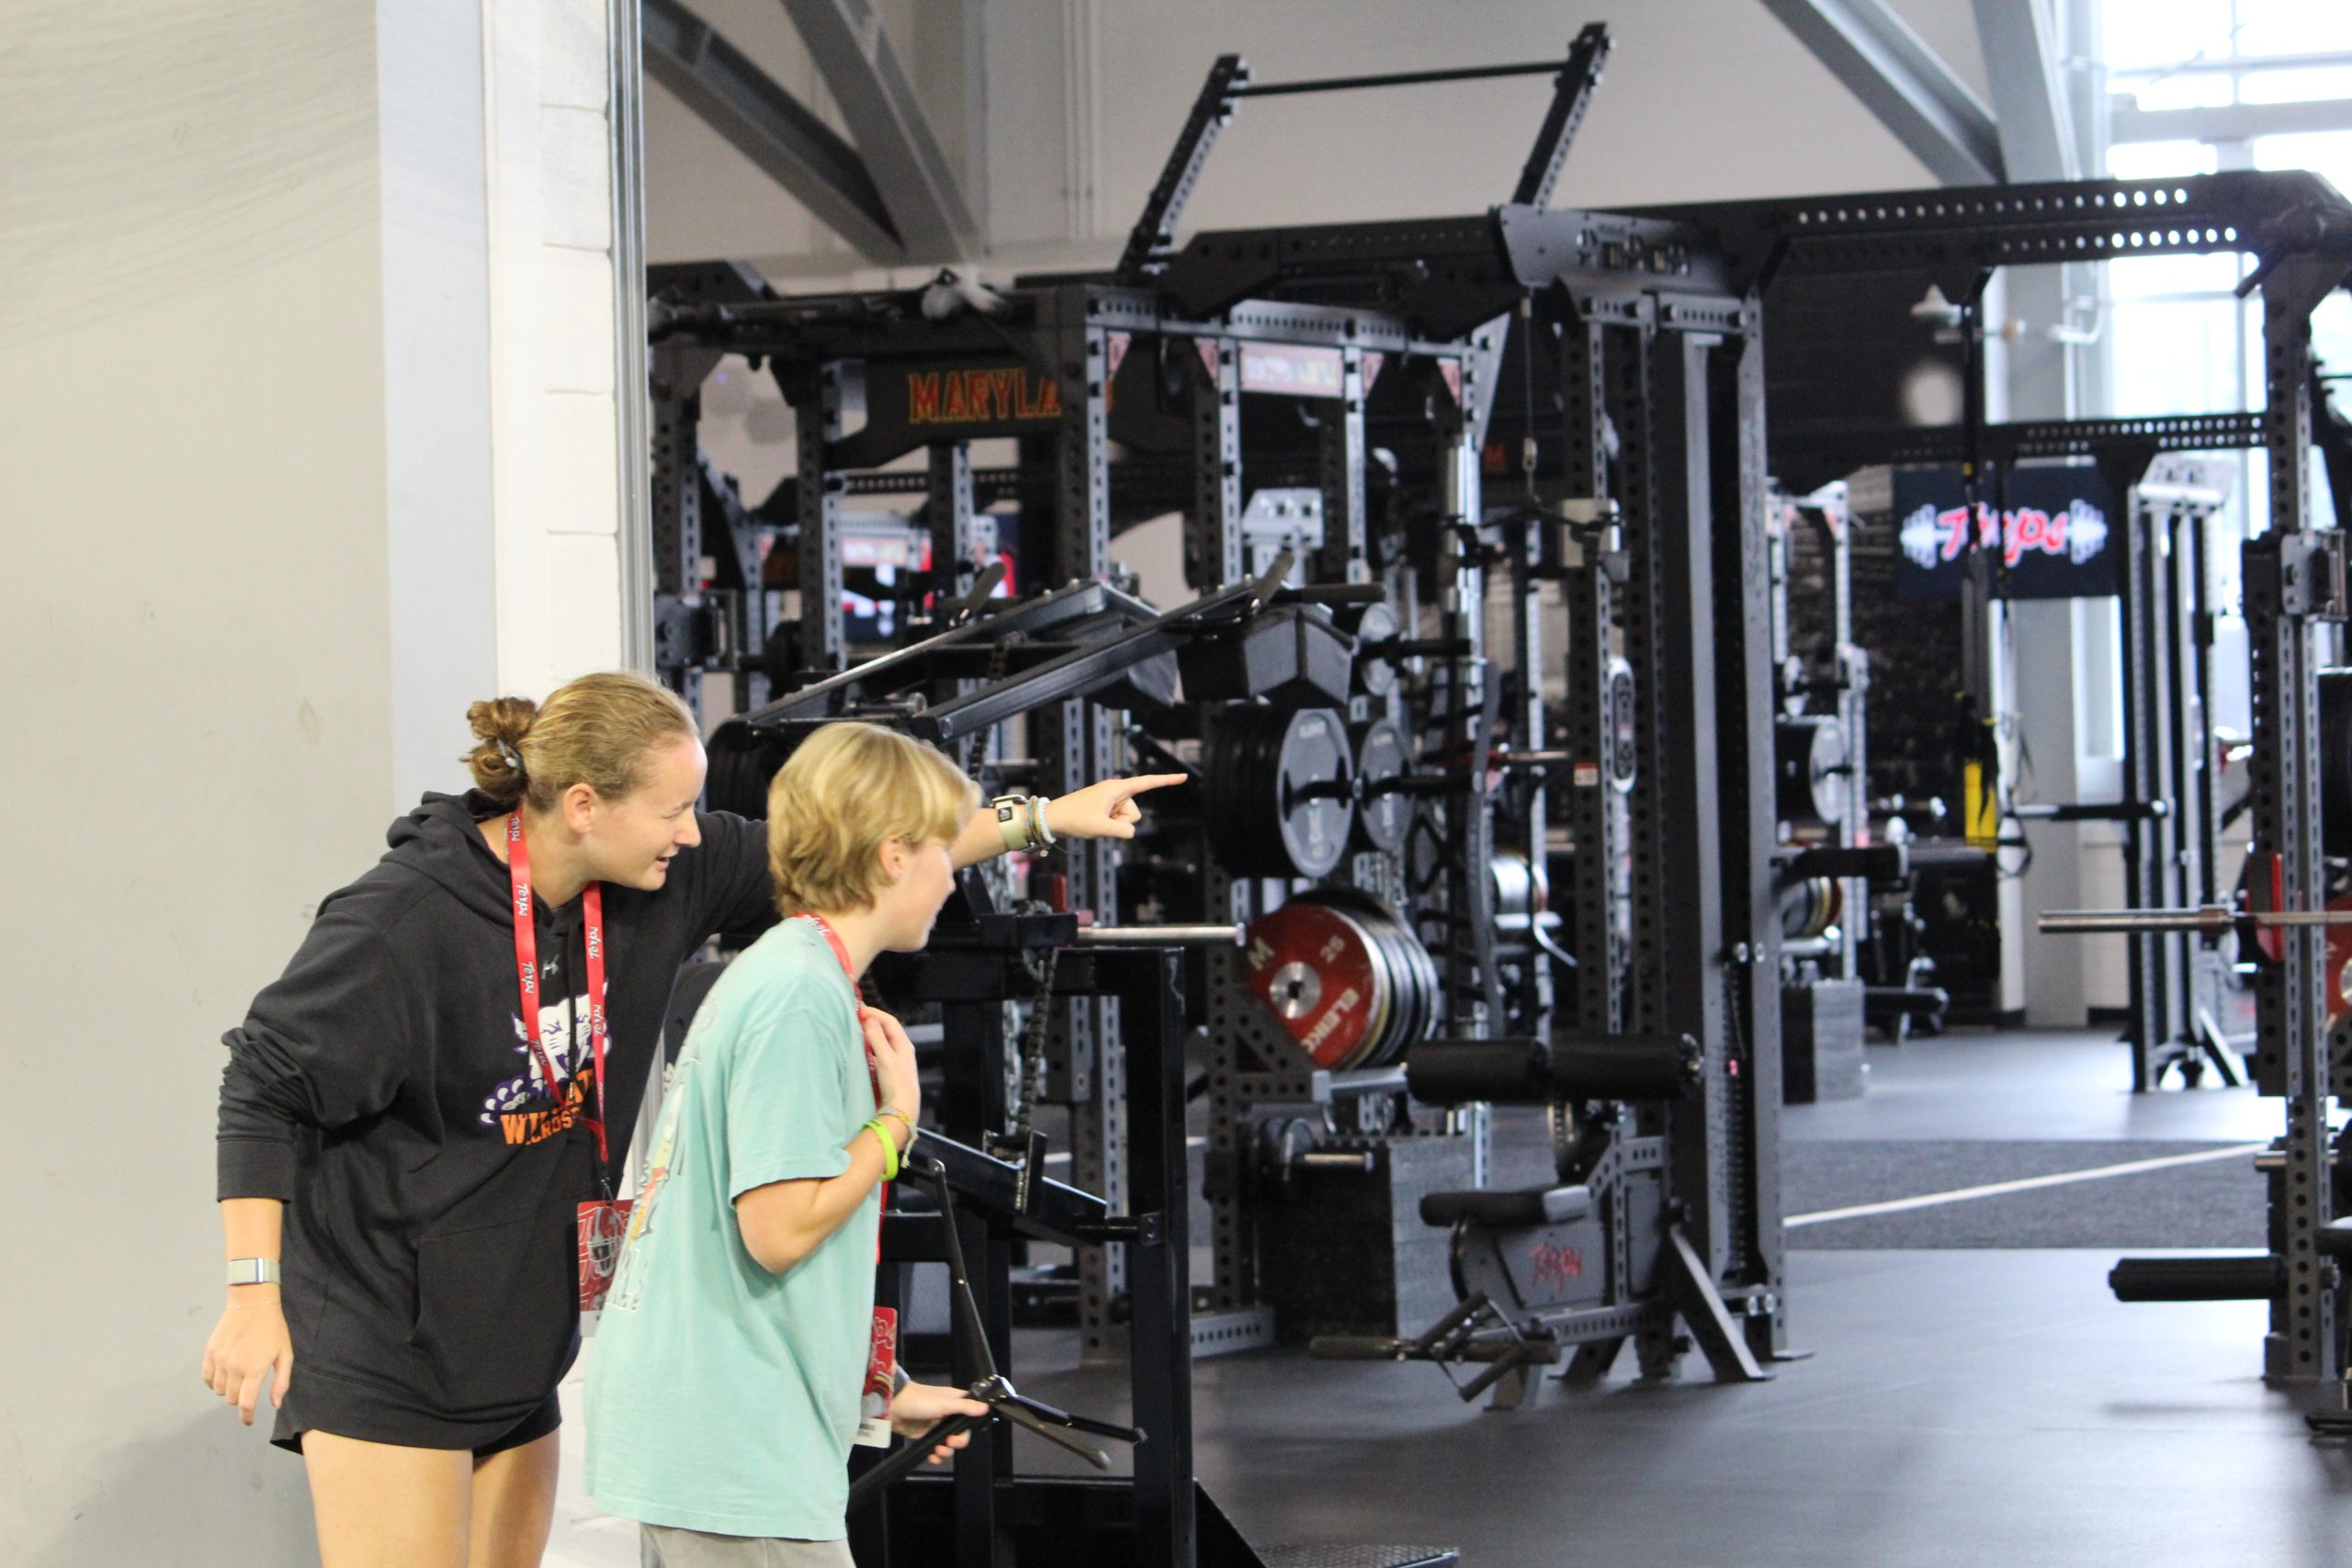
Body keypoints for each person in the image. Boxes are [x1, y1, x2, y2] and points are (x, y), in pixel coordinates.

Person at [201, 671, 1182, 1568]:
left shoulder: (658, 882)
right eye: (671, 810)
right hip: (387, 1335)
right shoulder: (403, 921)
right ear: (583, 807)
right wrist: (253, 1293)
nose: (690, 832)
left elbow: (862, 856)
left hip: (512, 1337)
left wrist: (1041, 819)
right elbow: (264, 1085)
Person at [583, 721, 1006, 1565]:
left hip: (733, 1440)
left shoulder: (789, 972)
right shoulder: (797, 996)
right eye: (942, 854)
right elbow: (776, 1230)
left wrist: (883, 1390)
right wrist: (895, 1125)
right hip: (735, 1453)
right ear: (892, 855)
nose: (948, 879)